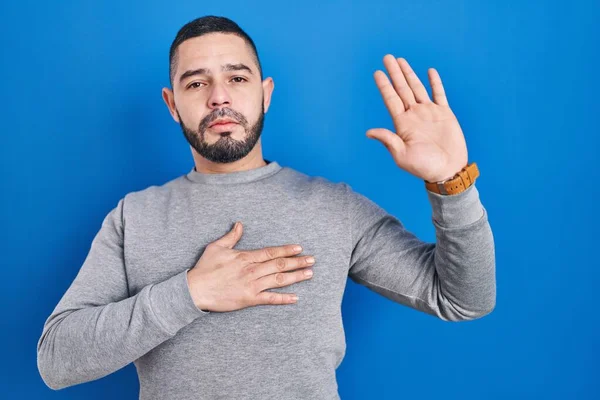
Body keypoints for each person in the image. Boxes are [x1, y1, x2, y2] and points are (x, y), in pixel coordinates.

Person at [36, 15, 496, 399]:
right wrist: (191, 293)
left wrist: (451, 183)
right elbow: (56, 359)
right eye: (197, 83)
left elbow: (463, 300)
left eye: (237, 78)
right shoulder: (132, 217)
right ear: (172, 104)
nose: (219, 96)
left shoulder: (334, 206)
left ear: (266, 93)